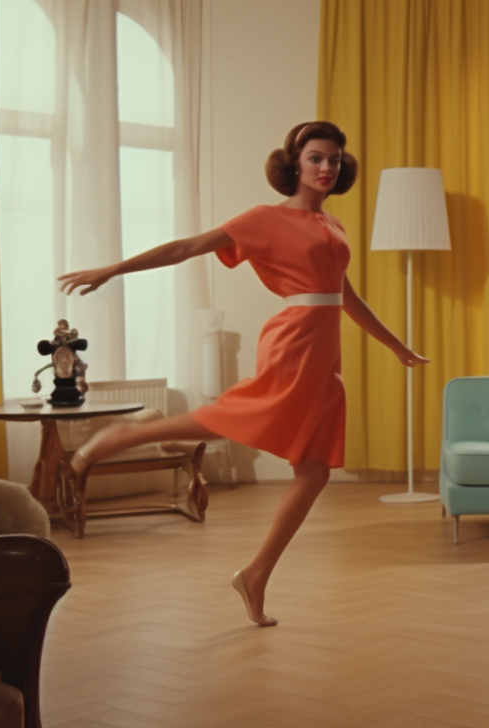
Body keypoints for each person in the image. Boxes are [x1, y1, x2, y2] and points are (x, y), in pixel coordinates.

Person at [57, 121, 428, 627]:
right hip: (294, 340)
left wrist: (396, 346)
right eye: (316, 158)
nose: (326, 168)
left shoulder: (334, 226)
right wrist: (112, 269)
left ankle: (255, 575)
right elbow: (187, 247)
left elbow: (345, 296)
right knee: (238, 418)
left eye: (335, 160)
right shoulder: (264, 219)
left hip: (325, 353)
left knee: (315, 473)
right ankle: (125, 435)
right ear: (293, 163)